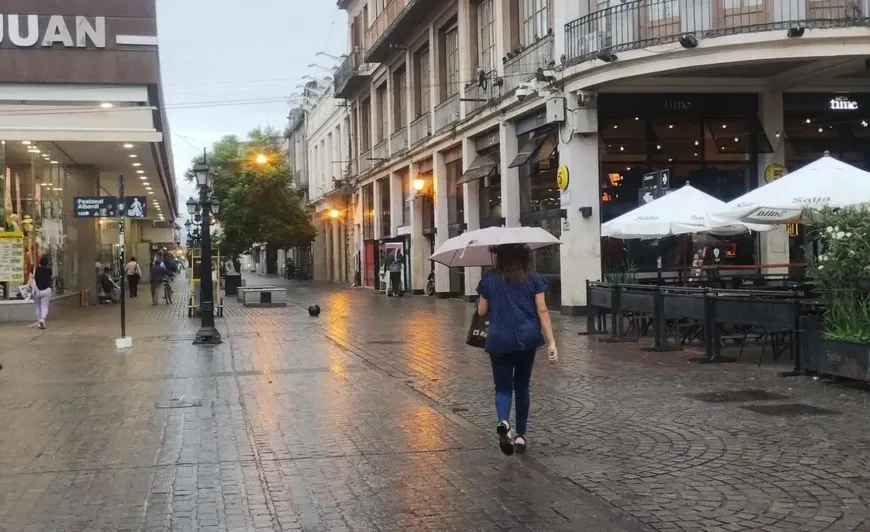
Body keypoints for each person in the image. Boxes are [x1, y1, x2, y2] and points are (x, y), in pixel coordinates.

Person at [476, 244, 558, 456]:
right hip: (526, 339)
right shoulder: (533, 278)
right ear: (524, 257)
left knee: (502, 387)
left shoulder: (490, 278)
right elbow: (542, 309)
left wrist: (488, 296)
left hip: (499, 340)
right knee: (522, 386)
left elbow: (482, 311)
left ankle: (504, 422)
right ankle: (521, 435)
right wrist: (551, 342)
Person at [32, 256, 52, 329]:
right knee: (44, 307)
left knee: (38, 307)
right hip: (46, 290)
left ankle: (38, 323)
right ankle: (42, 319)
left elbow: (33, 278)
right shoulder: (49, 270)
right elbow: (49, 277)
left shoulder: (35, 270)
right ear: (47, 263)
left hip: (37, 291)